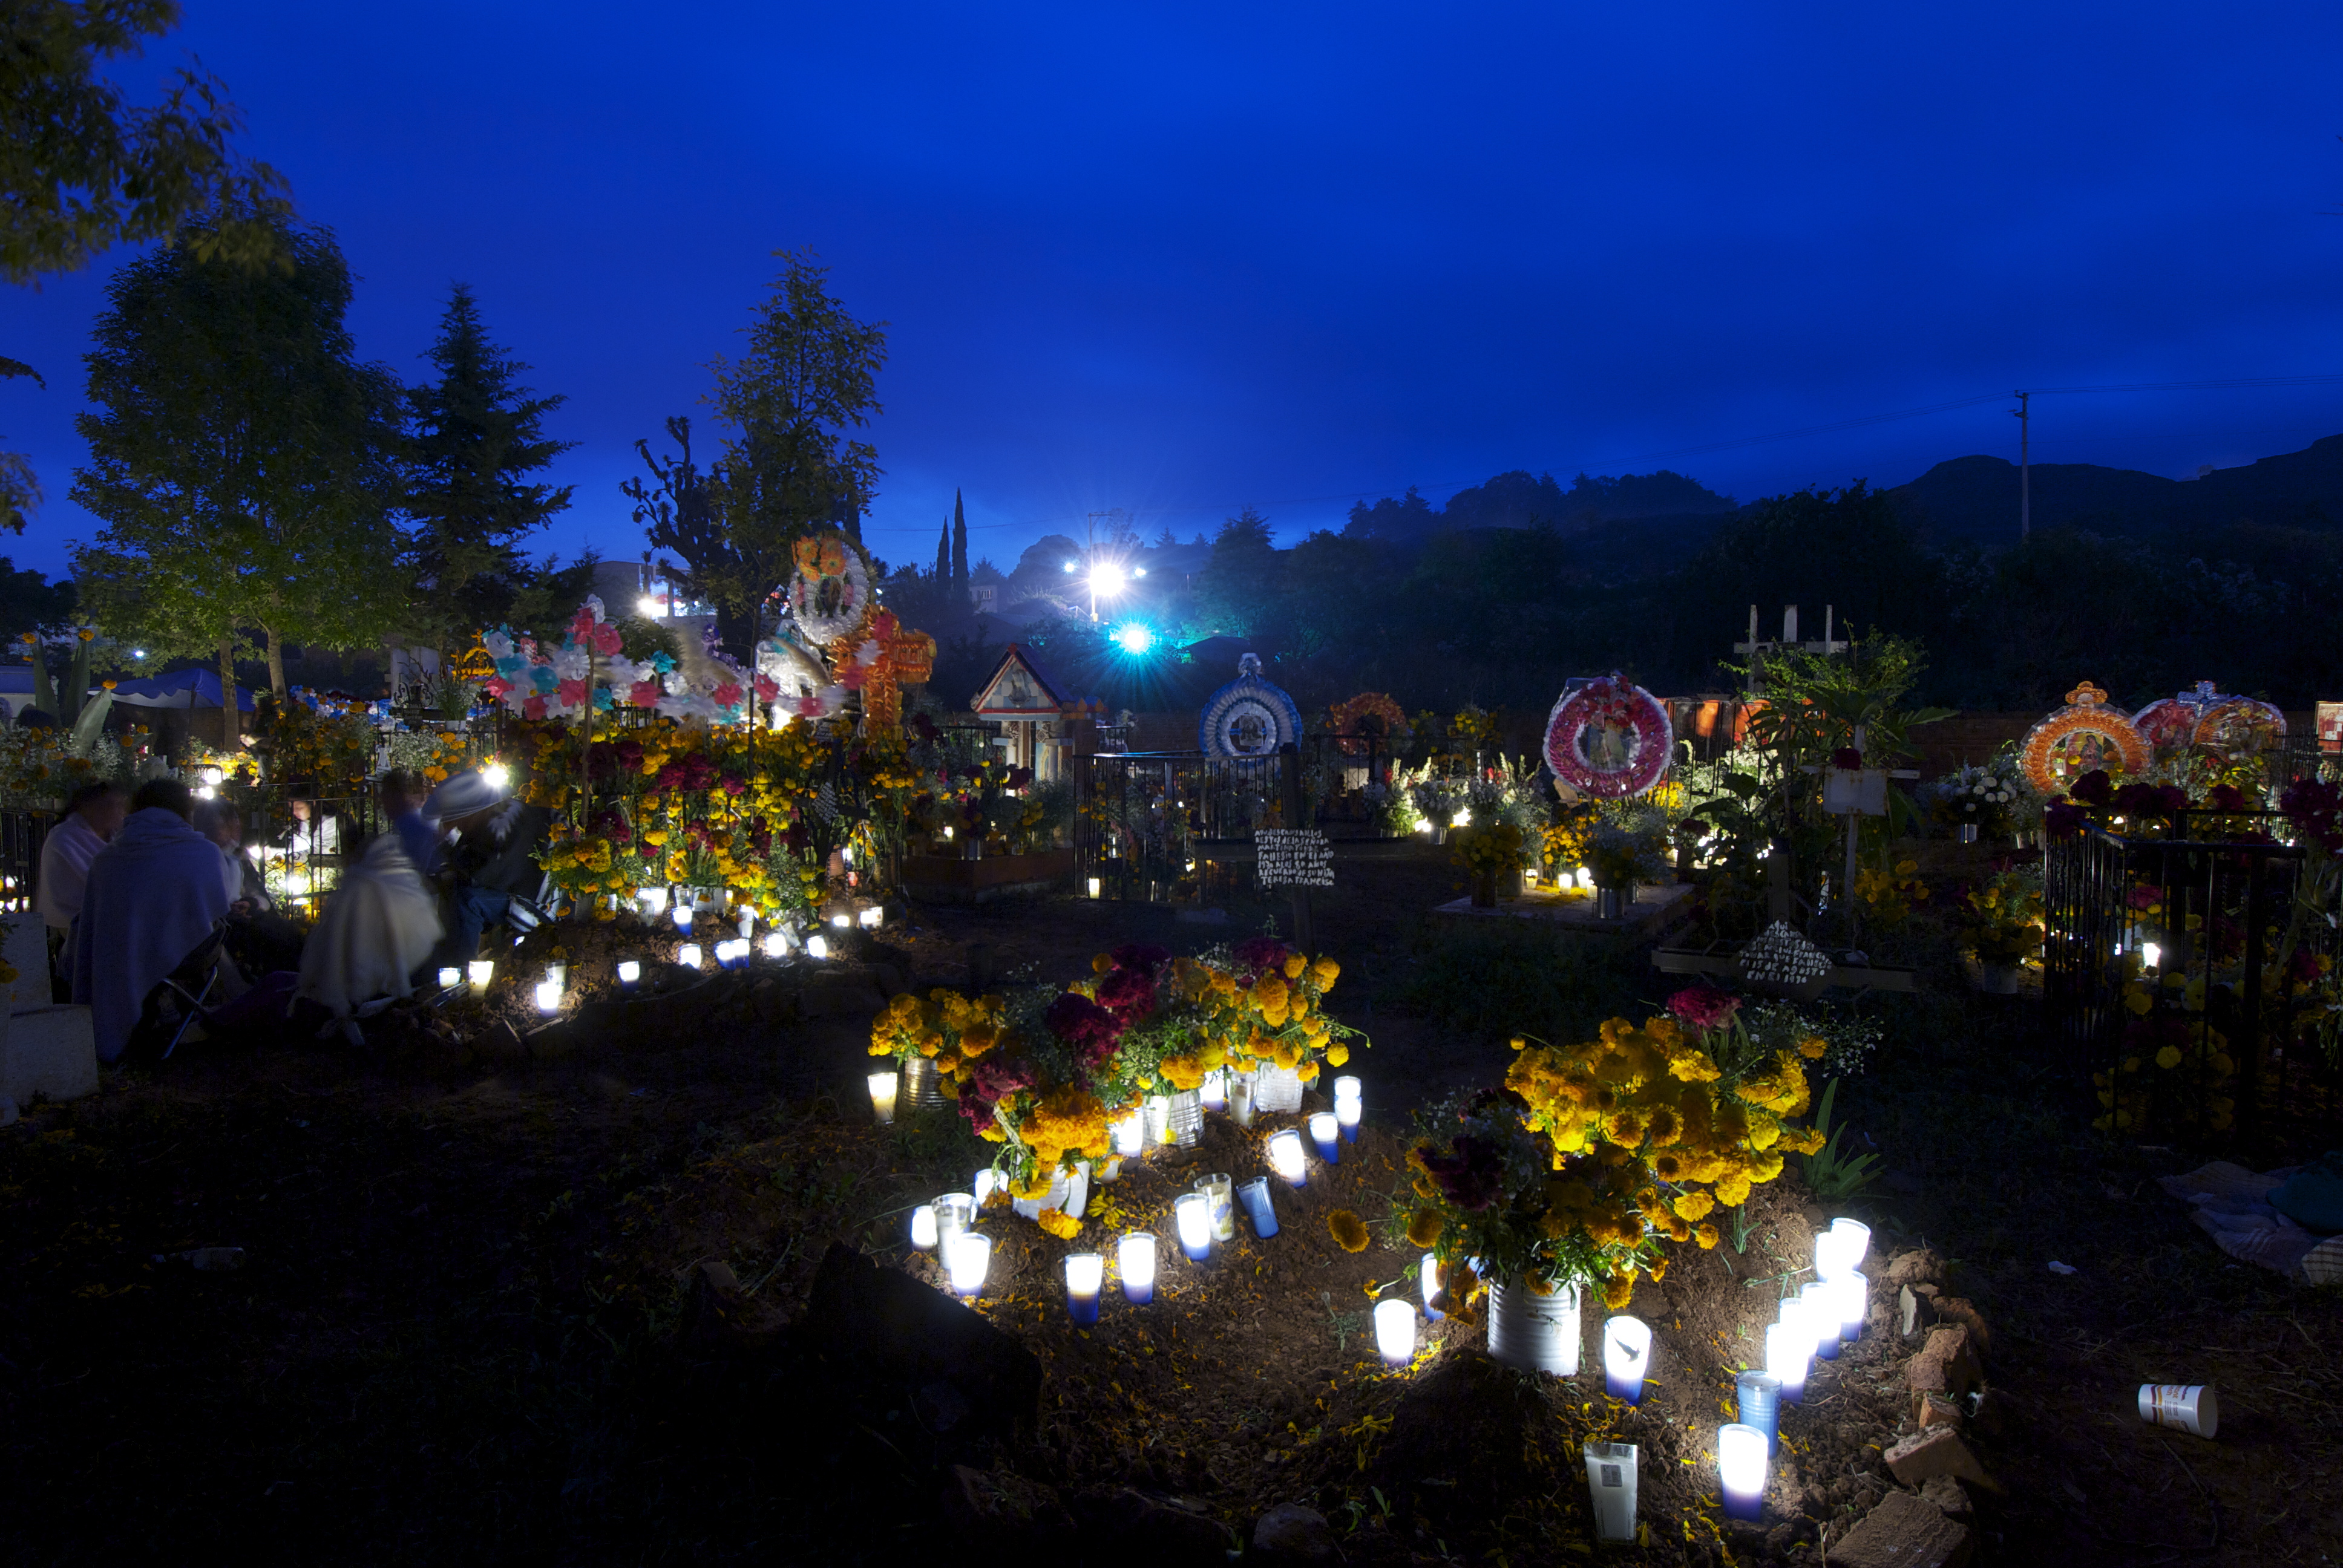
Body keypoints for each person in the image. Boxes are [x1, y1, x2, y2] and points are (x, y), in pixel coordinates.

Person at [70, 777, 232, 1063]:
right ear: (185, 810)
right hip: (190, 954)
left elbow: (93, 923)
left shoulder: (108, 859)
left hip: (119, 955)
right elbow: (217, 905)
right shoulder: (204, 852)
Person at [293, 777, 443, 1031]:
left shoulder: (363, 880)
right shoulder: (393, 855)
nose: (382, 802)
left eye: (385, 795)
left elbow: (333, 944)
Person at [424, 768, 549, 967]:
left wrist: (447, 847)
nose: (456, 826)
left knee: (468, 899)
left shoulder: (502, 821)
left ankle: (461, 967)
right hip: (523, 889)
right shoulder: (498, 814)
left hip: (539, 902)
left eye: (456, 819)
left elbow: (482, 872)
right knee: (459, 890)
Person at [36, 780, 126, 998]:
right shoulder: (65, 837)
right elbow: (101, 880)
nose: (121, 811)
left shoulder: (113, 836)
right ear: (91, 807)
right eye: (114, 804)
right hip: (77, 926)